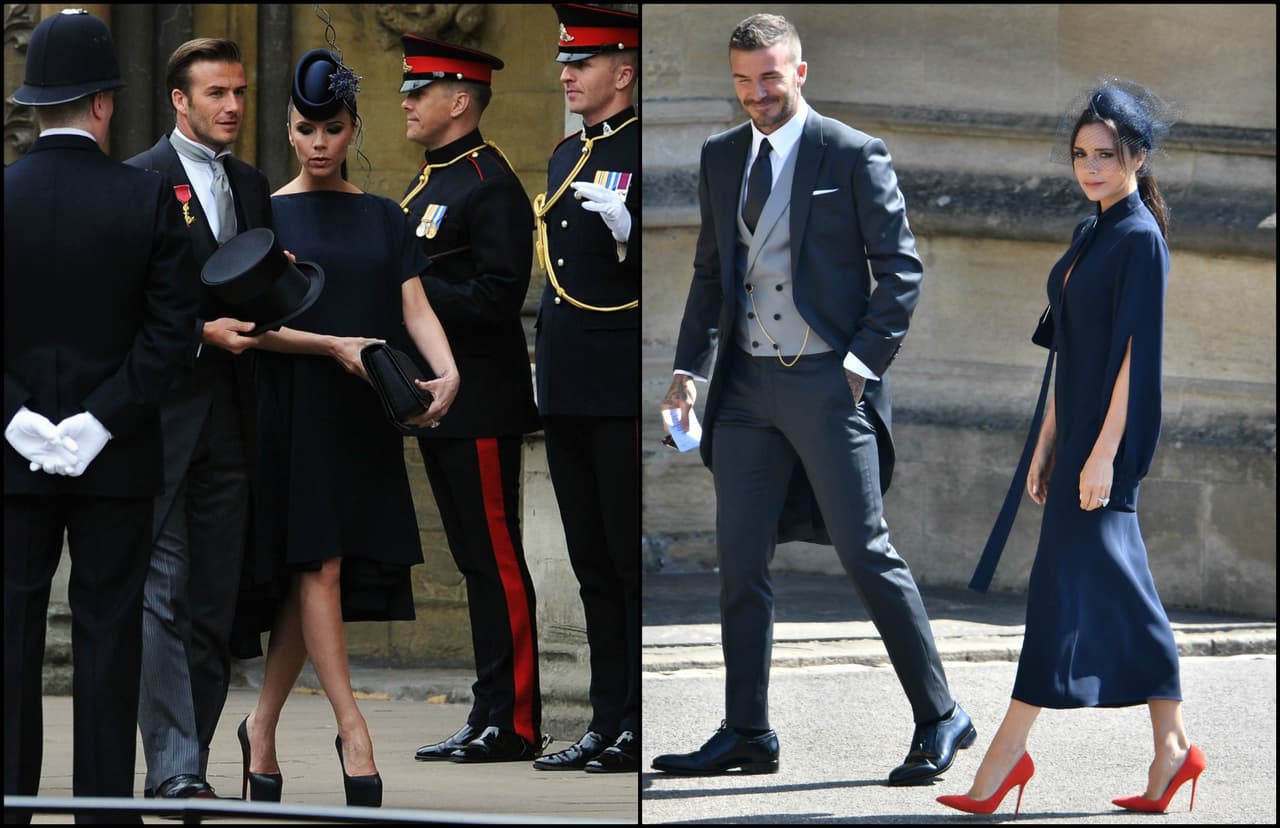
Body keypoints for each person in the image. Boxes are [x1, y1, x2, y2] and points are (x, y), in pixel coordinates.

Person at [653, 13, 974, 785]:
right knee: (738, 561)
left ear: (801, 71)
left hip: (828, 381)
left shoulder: (852, 153)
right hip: (744, 391)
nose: (755, 94)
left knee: (867, 551)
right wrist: (688, 370)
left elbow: (901, 270)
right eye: (741, 80)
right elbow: (710, 274)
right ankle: (747, 732)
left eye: (769, 77)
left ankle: (941, 716)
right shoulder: (720, 154)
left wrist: (860, 366)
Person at [937, 79, 1204, 817]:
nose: (1090, 168)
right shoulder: (1091, 231)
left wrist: (1103, 454)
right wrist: (1049, 442)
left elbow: (1130, 360)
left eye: (1106, 156)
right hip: (1079, 434)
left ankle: (1004, 755)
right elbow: (1070, 350)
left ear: (1138, 158)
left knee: (1060, 591)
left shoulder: (1140, 241)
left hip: (1109, 441)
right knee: (1127, 592)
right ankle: (1174, 748)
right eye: (1081, 154)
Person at [231, 45, 459, 807]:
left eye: (332, 128)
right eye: (305, 129)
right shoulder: (265, 212)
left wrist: (448, 370)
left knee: (317, 576)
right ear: (289, 134)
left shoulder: (384, 215)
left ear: (353, 128)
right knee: (319, 568)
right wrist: (333, 346)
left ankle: (259, 728)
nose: (319, 142)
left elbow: (414, 308)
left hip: (364, 413)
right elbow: (248, 327)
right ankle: (352, 727)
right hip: (292, 408)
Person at [4, 9, 199, 822]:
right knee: (111, 635)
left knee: (11, 637)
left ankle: (11, 802)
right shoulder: (148, 197)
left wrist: (17, 420)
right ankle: (101, 812)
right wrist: (98, 421)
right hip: (115, 458)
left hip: (10, 458)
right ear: (104, 103)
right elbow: (172, 333)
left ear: (35, 103)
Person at [124, 37, 273, 801]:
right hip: (163, 423)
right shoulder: (139, 181)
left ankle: (193, 760)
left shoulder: (251, 184)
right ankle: (175, 767)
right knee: (164, 597)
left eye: (241, 92)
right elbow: (118, 311)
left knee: (215, 604)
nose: (234, 107)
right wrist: (197, 333)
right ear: (180, 100)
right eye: (217, 93)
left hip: (235, 425)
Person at [394, 34, 546, 765]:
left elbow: (497, 297)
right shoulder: (428, 183)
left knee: (496, 561)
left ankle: (515, 720)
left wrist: (414, 294)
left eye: (418, 91)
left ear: (459, 101)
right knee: (471, 561)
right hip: (440, 401)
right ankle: (487, 711)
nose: (405, 103)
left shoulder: (489, 182)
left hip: (482, 399)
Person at [530, 3, 641, 774]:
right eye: (566, 61)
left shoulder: (646, 149)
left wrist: (636, 234)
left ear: (624, 72)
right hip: (569, 380)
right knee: (589, 561)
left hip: (617, 382)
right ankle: (606, 721)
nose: (567, 72)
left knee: (625, 560)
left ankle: (637, 721)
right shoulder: (567, 151)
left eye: (586, 61)